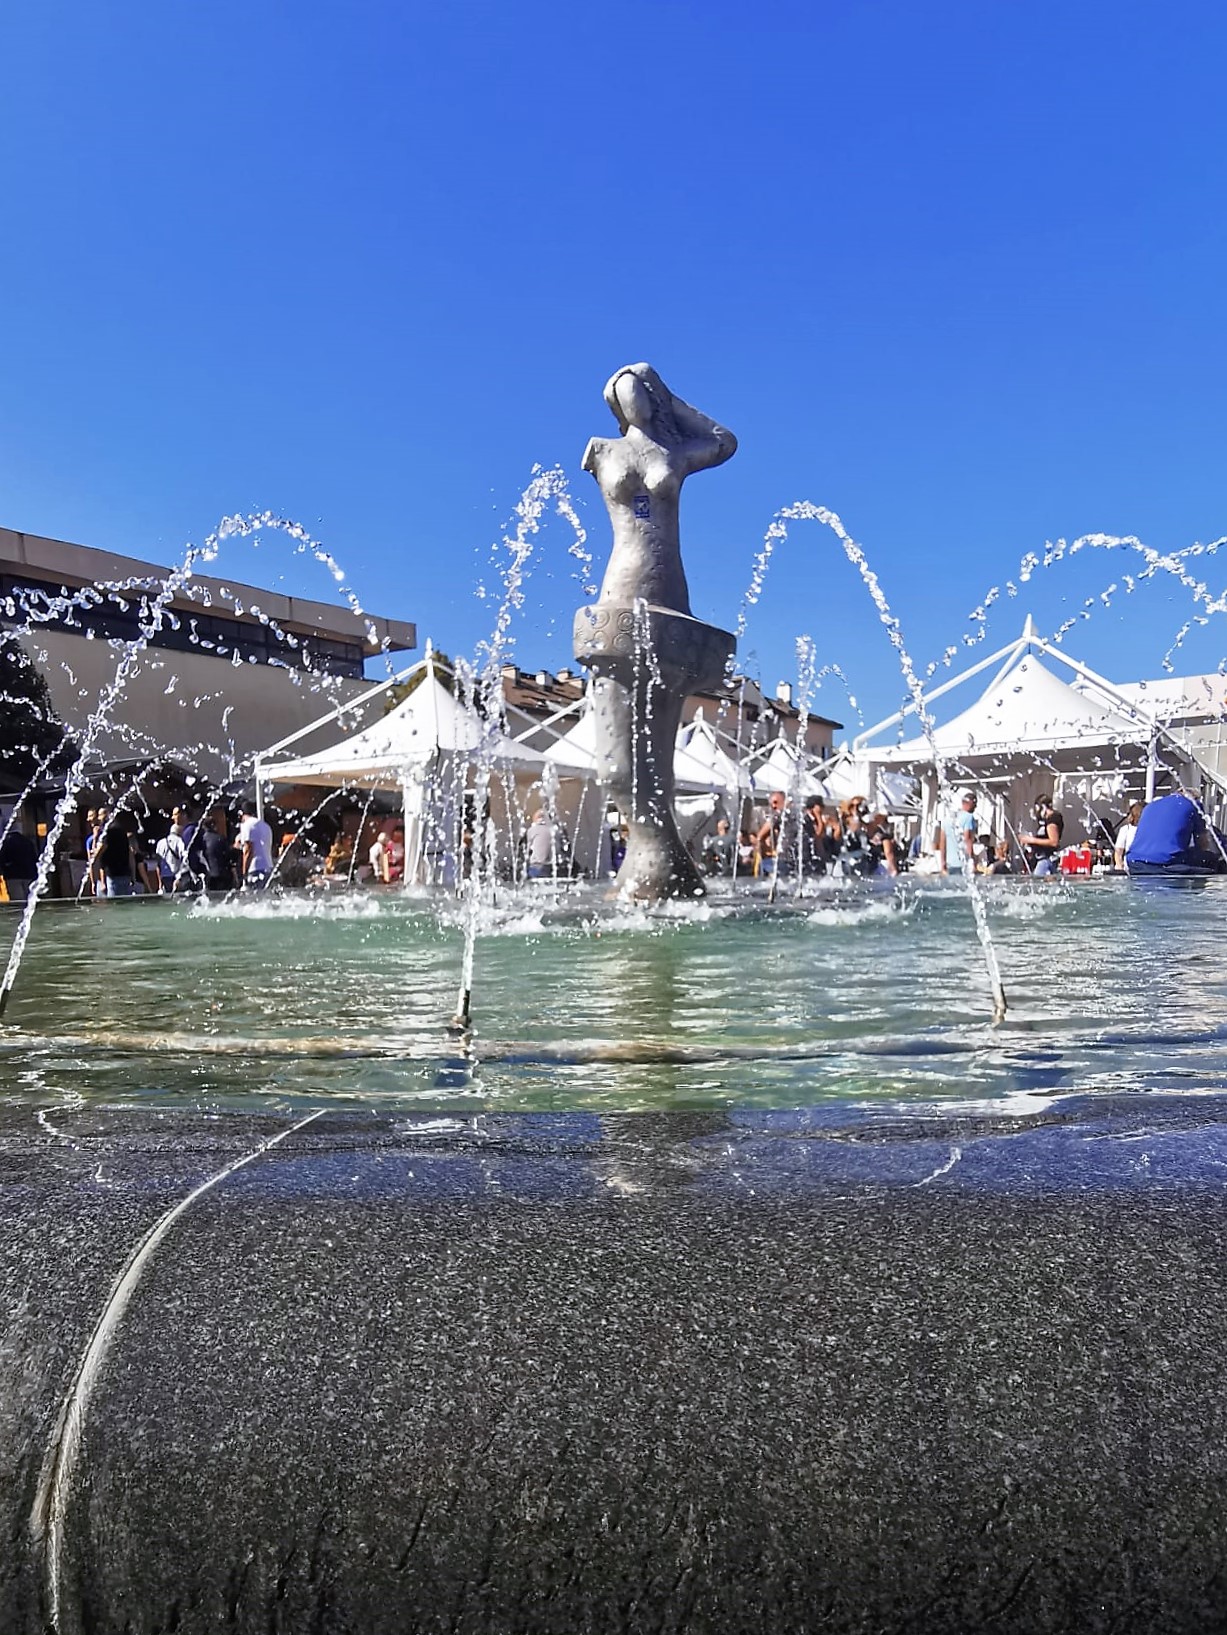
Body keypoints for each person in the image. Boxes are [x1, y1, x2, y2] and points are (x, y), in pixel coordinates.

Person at [1125, 790, 1227, 876]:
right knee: (1211, 859)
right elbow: (1202, 843)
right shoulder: (1194, 804)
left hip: (1134, 862)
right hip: (1166, 863)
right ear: (1195, 798)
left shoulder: (1150, 806)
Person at [90, 815, 137, 898]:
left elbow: (95, 859)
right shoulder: (123, 836)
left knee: (114, 902)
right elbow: (131, 858)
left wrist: (93, 881)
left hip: (112, 876)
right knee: (125, 902)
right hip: (125, 875)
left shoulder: (107, 836)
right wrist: (133, 876)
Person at [187, 816, 235, 892]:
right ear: (213, 825)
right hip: (223, 874)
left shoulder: (201, 842)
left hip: (209, 876)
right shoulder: (220, 839)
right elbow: (229, 856)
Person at [1020, 796, 1064, 875]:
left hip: (1046, 859)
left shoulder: (1052, 819)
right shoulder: (1045, 820)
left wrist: (1031, 840)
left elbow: (1054, 842)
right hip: (1040, 858)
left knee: (1038, 881)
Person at [939, 789, 978, 874]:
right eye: (974, 805)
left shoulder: (947, 819)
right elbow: (967, 839)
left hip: (950, 864)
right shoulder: (969, 817)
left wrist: (942, 863)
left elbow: (942, 842)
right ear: (967, 804)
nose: (976, 807)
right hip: (964, 864)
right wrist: (973, 861)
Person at [237, 802, 274, 889]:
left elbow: (248, 850)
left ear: (242, 814)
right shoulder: (265, 825)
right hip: (269, 867)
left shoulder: (247, 825)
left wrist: (244, 872)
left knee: (254, 896)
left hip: (255, 869)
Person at [0, 822, 38, 903]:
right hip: (28, 874)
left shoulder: (6, 842)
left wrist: (4, 869)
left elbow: (2, 858)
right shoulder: (27, 841)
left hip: (13, 876)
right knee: (29, 899)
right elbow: (34, 858)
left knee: (17, 901)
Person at [756, 792, 791, 878]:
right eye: (771, 804)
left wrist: (763, 853)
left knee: (762, 865)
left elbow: (760, 836)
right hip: (798, 859)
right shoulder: (798, 814)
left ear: (784, 801)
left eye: (775, 802)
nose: (773, 806)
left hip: (785, 859)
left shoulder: (779, 814)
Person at [155, 821, 190, 892]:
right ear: (180, 831)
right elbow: (184, 858)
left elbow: (158, 863)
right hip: (177, 875)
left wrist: (160, 882)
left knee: (168, 896)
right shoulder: (179, 841)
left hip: (165, 875)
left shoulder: (160, 842)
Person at [525, 810, 559, 880]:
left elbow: (527, 849)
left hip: (536, 866)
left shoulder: (532, 830)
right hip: (549, 866)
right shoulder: (553, 831)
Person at [1114, 801, 1145, 869]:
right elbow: (1118, 852)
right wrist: (1120, 867)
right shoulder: (1126, 829)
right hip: (1129, 867)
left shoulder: (1150, 829)